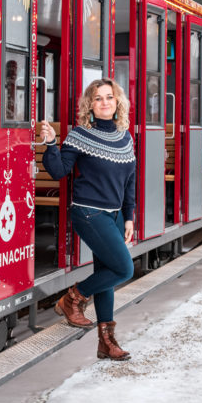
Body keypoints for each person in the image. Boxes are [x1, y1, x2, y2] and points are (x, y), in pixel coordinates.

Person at [40, 78, 136, 361]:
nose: (105, 102)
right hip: (88, 213)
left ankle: (106, 342)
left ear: (117, 102)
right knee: (124, 269)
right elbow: (59, 171)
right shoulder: (80, 135)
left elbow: (130, 182)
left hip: (115, 216)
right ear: (90, 105)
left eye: (109, 97)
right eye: (98, 98)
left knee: (107, 277)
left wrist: (128, 217)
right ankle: (71, 299)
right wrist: (50, 143)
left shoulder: (125, 137)